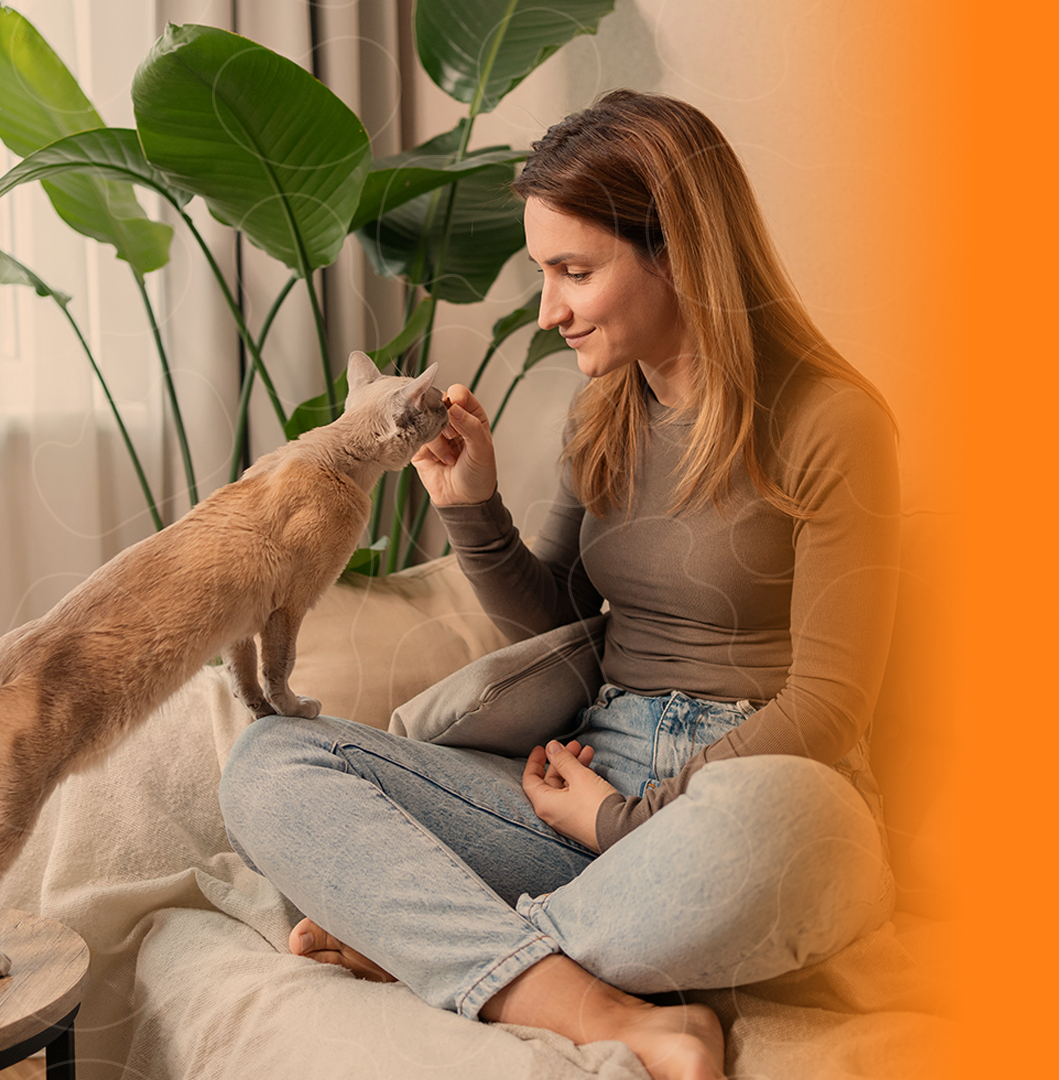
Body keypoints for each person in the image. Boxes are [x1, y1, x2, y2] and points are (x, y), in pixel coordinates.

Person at [219, 90, 900, 1080]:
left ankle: (432, 947)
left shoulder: (834, 423)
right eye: (547, 273)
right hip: (584, 783)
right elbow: (567, 627)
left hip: (740, 800)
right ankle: (605, 1005)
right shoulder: (603, 416)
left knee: (797, 826)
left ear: (678, 252)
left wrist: (625, 822)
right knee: (268, 763)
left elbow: (833, 706)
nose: (550, 311)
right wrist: (472, 509)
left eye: (575, 271)